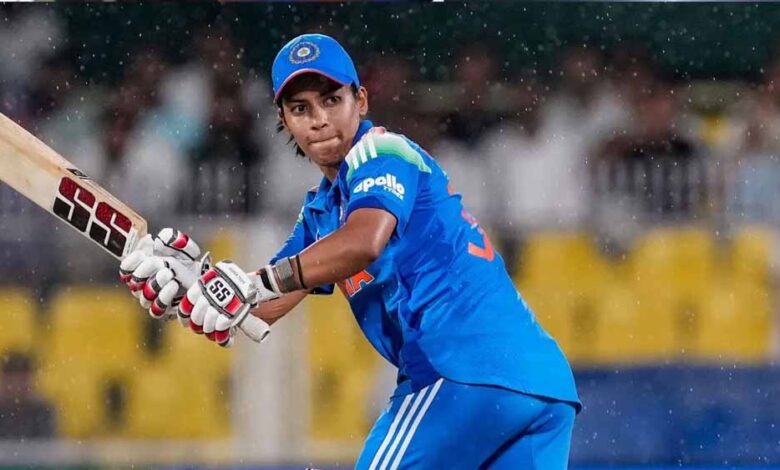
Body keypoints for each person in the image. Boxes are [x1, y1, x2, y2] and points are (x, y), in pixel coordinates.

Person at [120, 33, 580, 469]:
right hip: (541, 387)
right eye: (300, 108)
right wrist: (194, 288)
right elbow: (258, 306)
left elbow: (363, 241)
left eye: (331, 100)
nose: (319, 119)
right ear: (283, 120)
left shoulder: (382, 150)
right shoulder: (321, 211)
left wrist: (255, 284)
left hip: (460, 370)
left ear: (360, 101)